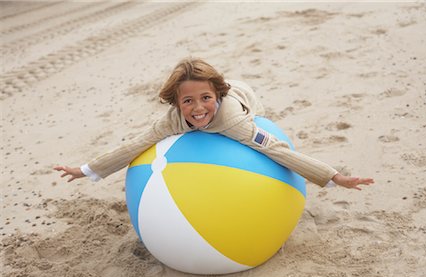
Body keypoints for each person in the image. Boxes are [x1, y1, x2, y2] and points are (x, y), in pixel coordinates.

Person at [54, 58, 374, 190]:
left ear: (216, 94)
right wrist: (85, 169)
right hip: (222, 89)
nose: (197, 108)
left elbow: (278, 150)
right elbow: (134, 145)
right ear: (176, 104)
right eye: (188, 101)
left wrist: (332, 177)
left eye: (205, 98)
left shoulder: (233, 121)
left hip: (245, 97)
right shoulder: (173, 121)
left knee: (261, 134)